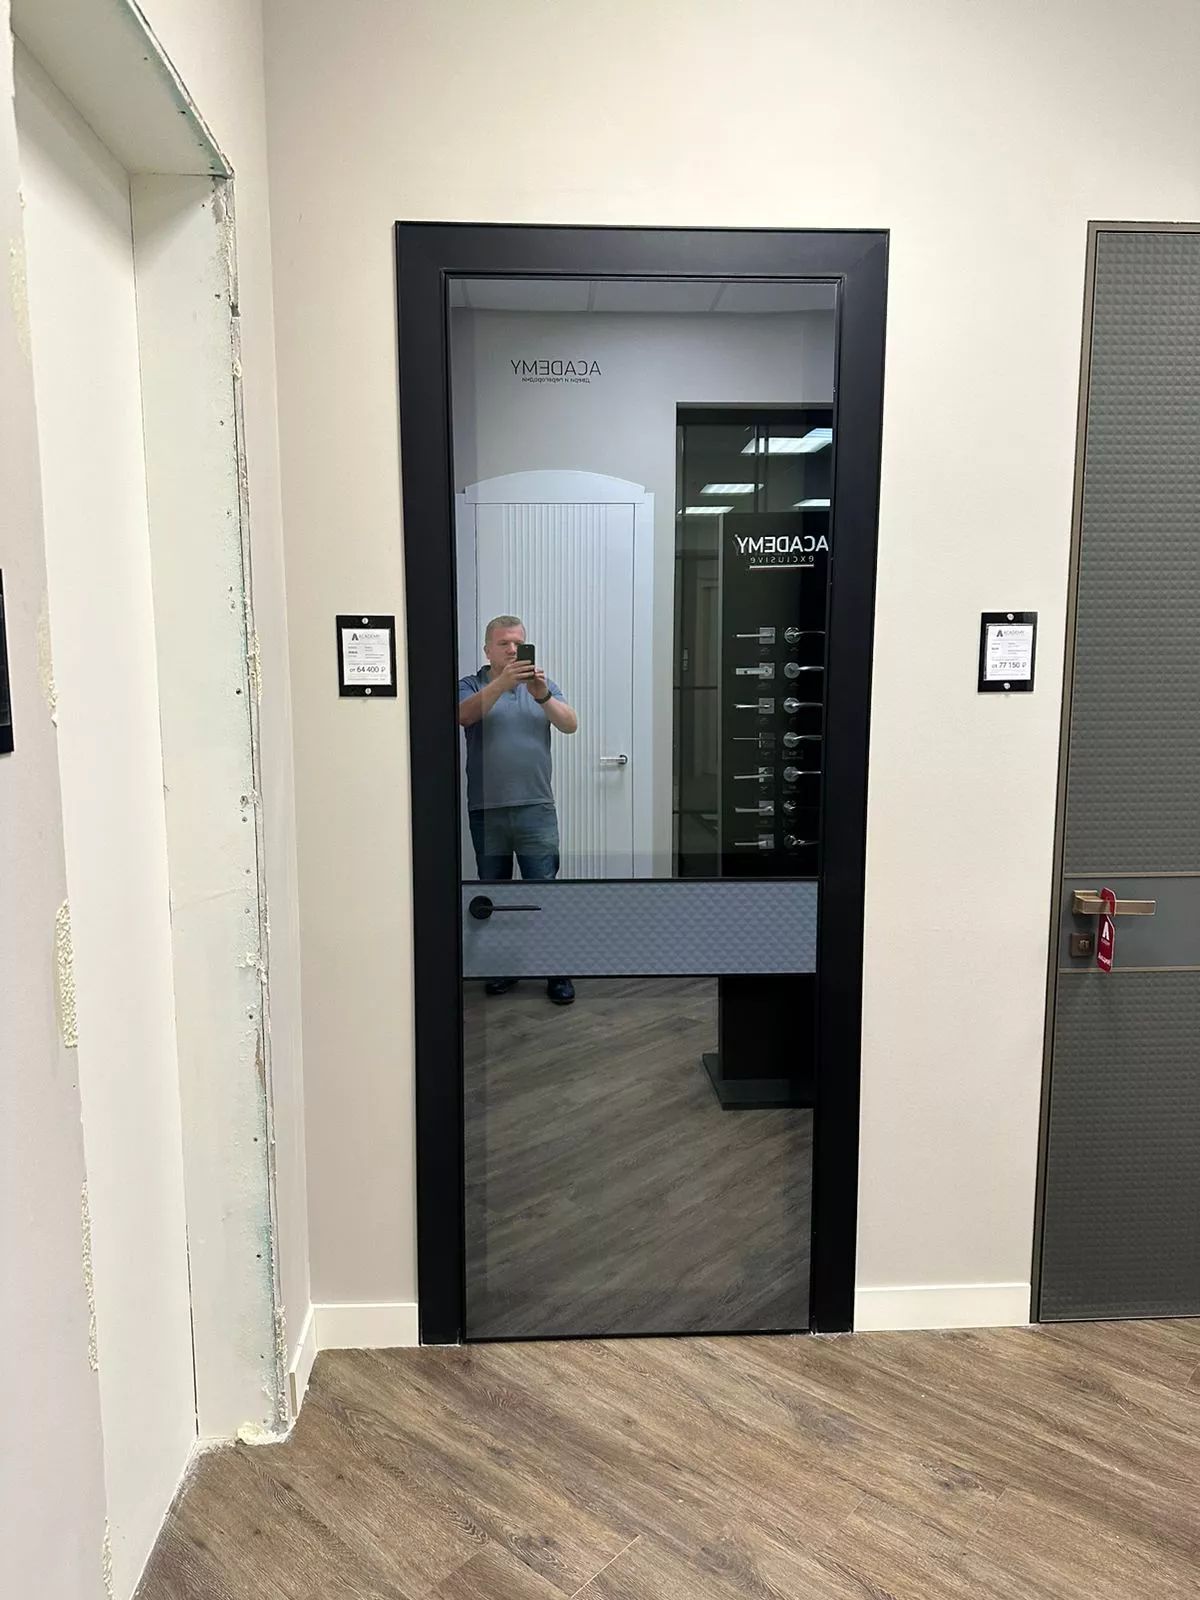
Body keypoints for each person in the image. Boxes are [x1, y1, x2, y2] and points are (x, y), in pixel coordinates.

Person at [458, 615, 578, 1005]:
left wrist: (541, 695)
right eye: (503, 643)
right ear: (487, 650)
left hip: (535, 808)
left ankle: (556, 972)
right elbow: (463, 715)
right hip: (487, 810)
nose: (512, 650)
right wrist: (502, 683)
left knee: (544, 892)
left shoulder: (541, 685)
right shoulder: (471, 685)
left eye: (517, 643)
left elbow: (570, 724)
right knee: (495, 895)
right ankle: (504, 968)